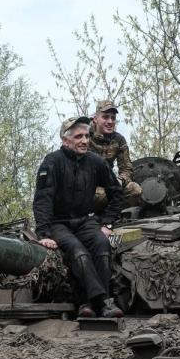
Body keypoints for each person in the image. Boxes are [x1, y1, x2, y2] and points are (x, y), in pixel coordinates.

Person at [33, 116, 125, 318]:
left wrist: (107, 222)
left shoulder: (95, 162)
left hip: (85, 220)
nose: (84, 141)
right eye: (78, 137)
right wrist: (43, 234)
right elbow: (42, 200)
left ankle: (88, 304)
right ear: (66, 140)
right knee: (77, 251)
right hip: (59, 223)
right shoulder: (52, 162)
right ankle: (103, 302)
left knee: (103, 243)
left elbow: (117, 192)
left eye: (86, 136)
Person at [89, 100, 142, 208]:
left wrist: (119, 180)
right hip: (86, 187)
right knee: (100, 195)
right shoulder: (84, 136)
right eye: (105, 117)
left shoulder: (119, 139)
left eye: (113, 118)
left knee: (134, 189)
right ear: (95, 119)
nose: (110, 121)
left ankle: (121, 218)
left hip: (109, 183)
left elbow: (127, 169)